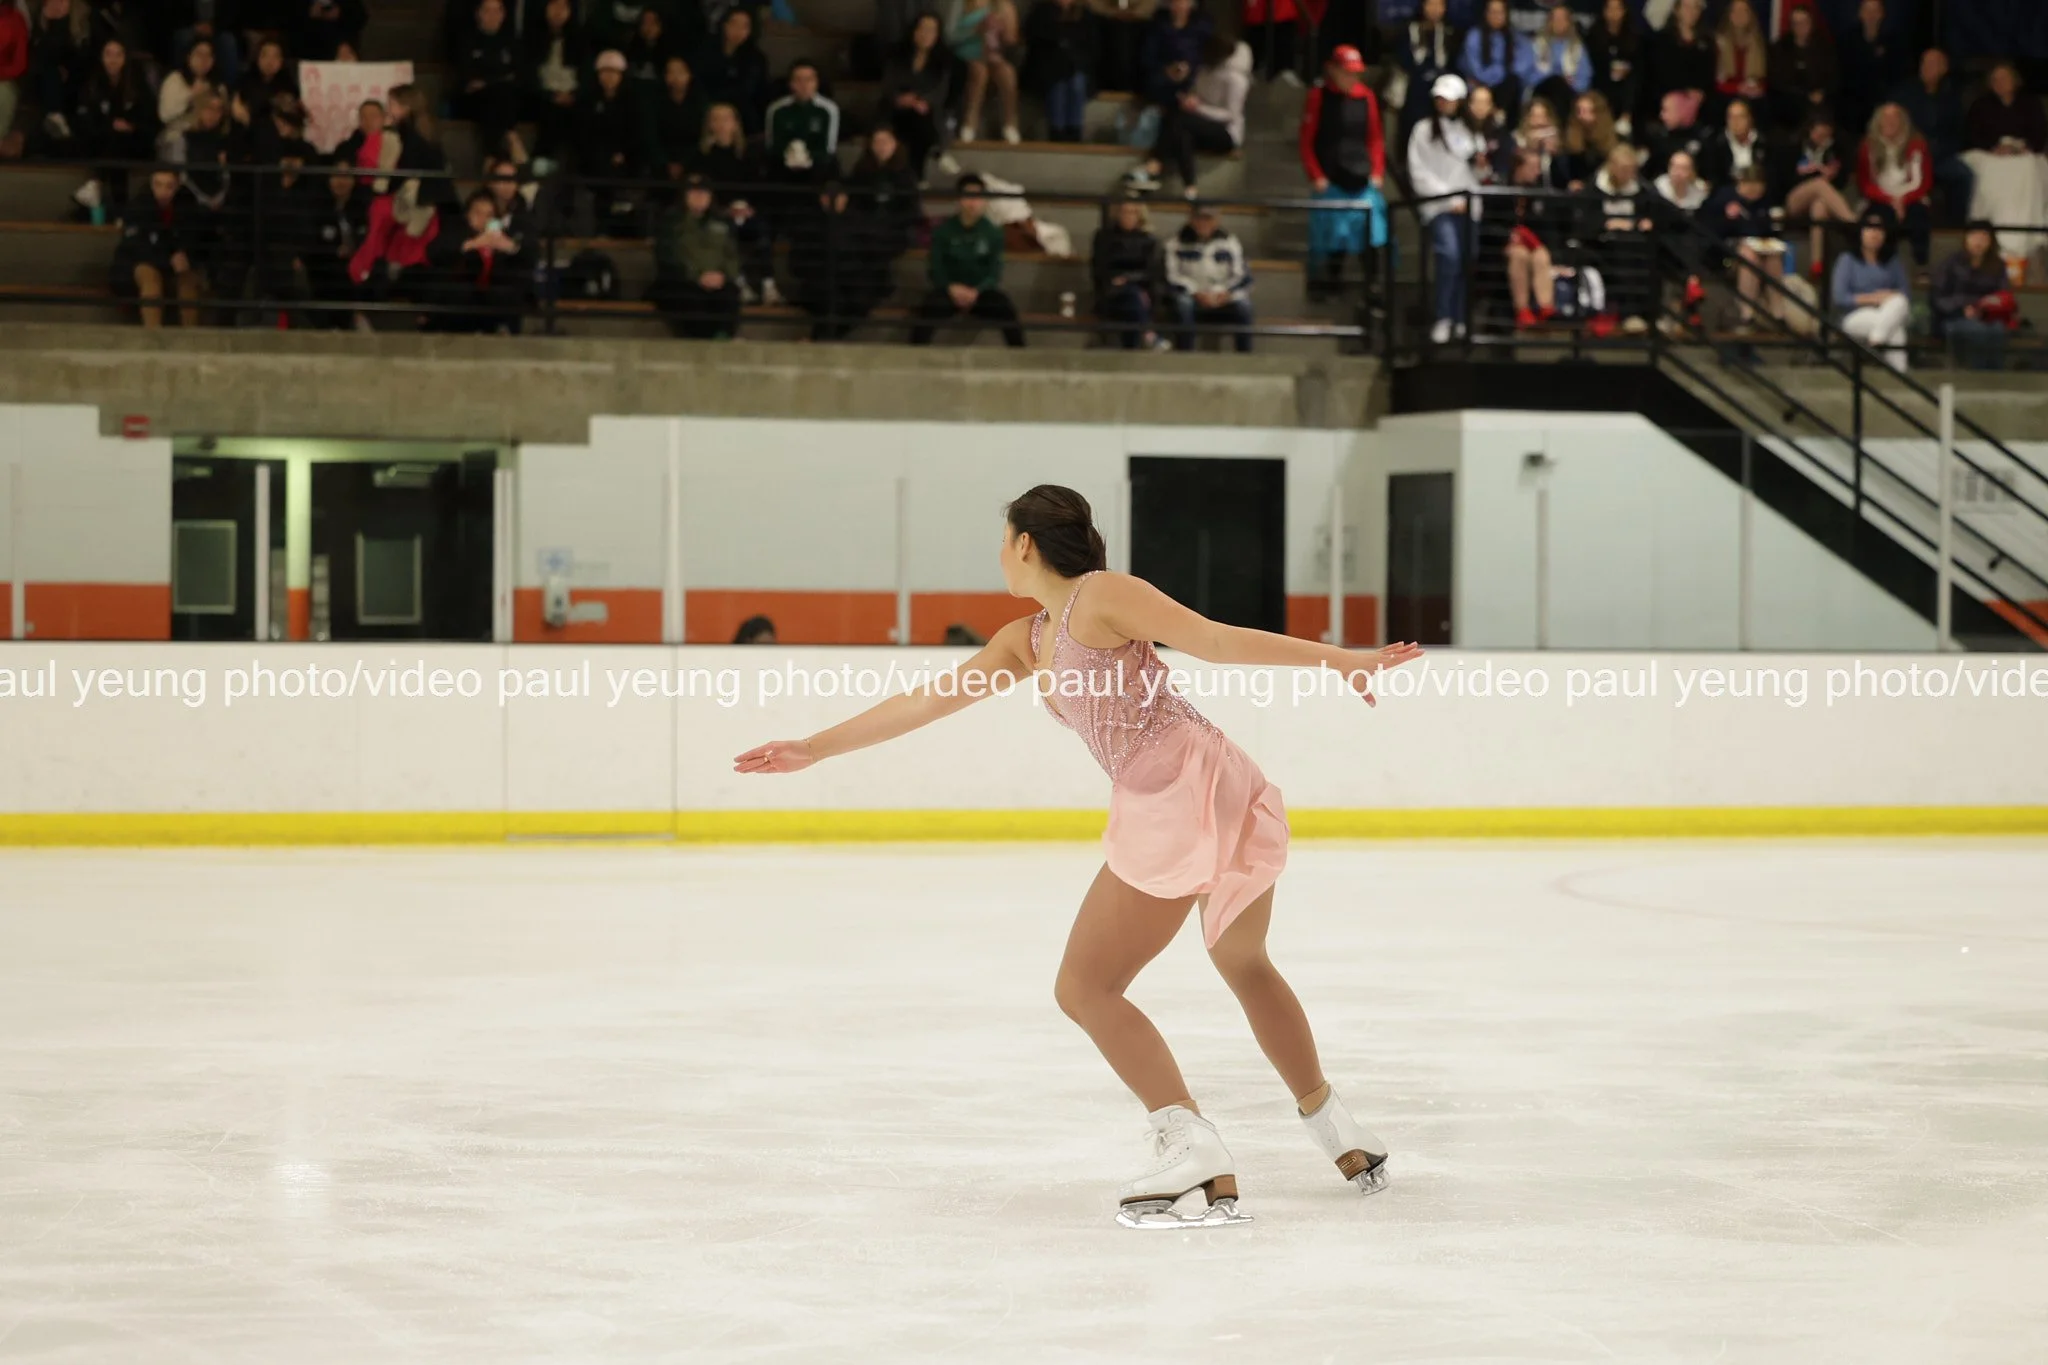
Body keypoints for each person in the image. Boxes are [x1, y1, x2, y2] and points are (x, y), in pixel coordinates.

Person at [733, 485, 1424, 1228]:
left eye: (1003, 540)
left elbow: (1213, 640)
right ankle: (1338, 1128)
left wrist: (1338, 660)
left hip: (1173, 791)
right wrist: (813, 747)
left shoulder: (1101, 596)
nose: (1000, 554)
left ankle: (1190, 1143)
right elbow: (928, 700)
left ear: (1025, 544)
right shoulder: (1025, 639)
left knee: (1086, 986)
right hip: (1215, 779)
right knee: (1242, 960)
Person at [1298, 43, 1384, 301]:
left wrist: (1377, 171)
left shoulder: (1366, 97)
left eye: (1355, 73)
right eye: (1347, 72)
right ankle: (1328, 284)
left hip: (1361, 176)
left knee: (1371, 233)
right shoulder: (1318, 96)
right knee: (1331, 236)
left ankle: (1373, 287)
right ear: (1333, 70)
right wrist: (1316, 175)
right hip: (1330, 178)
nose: (1351, 78)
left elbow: (1375, 138)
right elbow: (1306, 140)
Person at [1408, 72, 1480, 345]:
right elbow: (1418, 172)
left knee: (1467, 260)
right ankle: (1443, 316)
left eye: (1449, 99)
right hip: (1439, 208)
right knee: (1449, 257)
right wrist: (1450, 199)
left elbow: (1475, 173)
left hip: (1470, 208)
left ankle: (1460, 317)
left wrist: (1482, 169)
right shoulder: (1423, 130)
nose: (1444, 103)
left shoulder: (1471, 131)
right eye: (1440, 98)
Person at [1126, 34, 1247, 196]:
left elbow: (1230, 115)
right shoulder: (1203, 71)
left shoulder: (1236, 79)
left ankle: (1154, 166)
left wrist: (1198, 108)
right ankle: (1190, 188)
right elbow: (1198, 95)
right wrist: (1189, 99)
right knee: (1181, 131)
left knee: (1181, 121)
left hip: (1226, 133)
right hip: (1198, 125)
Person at [912, 174, 1024, 346]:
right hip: (949, 292)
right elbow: (936, 267)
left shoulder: (993, 233)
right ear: (959, 199)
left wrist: (978, 290)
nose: (973, 203)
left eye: (978, 197)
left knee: (1005, 308)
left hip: (980, 294)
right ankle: (915, 355)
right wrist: (951, 287)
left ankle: (1020, 356)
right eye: (968, 196)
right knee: (927, 309)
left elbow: (994, 272)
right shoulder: (943, 231)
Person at [1962, 62, 2048, 275]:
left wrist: (2023, 147)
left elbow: (2039, 133)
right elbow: (1972, 135)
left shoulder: (2031, 103)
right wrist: (1994, 147)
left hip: (2024, 154)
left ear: (2015, 80)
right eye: (1996, 79)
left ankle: (2026, 229)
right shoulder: (1981, 105)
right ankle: (1994, 228)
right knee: (1992, 169)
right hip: (1991, 154)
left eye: (2004, 78)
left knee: (2029, 167)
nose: (2000, 83)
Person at [788, 178, 896, 339]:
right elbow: (797, 262)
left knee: (858, 302)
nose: (831, 201)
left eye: (837, 197)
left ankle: (818, 341)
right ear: (821, 199)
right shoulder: (809, 225)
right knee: (832, 302)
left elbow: (873, 256)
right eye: (827, 197)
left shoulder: (859, 223)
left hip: (853, 283)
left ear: (845, 199)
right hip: (819, 283)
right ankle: (820, 341)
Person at [650, 173, 743, 339]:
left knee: (728, 298)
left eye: (704, 192)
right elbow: (667, 256)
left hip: (718, 281)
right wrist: (697, 276)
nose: (699, 197)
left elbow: (732, 255)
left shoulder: (721, 222)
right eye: (693, 192)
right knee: (690, 302)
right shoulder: (671, 223)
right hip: (682, 282)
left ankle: (722, 340)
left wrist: (723, 275)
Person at [112, 168, 206, 327]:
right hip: (139, 264)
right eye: (158, 185)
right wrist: (168, 259)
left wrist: (184, 254)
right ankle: (153, 334)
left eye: (169, 186)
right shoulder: (139, 205)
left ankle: (191, 335)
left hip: (172, 267)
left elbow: (195, 238)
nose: (163, 192)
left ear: (178, 186)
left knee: (188, 279)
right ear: (151, 184)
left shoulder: (187, 205)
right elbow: (136, 247)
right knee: (150, 276)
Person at [424, 189, 523, 333]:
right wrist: (472, 244)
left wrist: (511, 247)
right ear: (468, 214)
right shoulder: (455, 232)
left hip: (490, 298)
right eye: (478, 213)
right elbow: (433, 252)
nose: (483, 219)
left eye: (488, 215)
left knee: (507, 294)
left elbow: (524, 260)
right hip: (460, 297)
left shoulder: (501, 237)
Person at [1892, 48, 1969, 229]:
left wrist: (1941, 148)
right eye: (1924, 63)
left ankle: (1956, 226)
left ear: (1944, 69)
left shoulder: (1951, 96)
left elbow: (1958, 133)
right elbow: (1893, 125)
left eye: (1933, 64)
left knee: (1964, 175)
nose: (1927, 67)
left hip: (1940, 155)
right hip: (1908, 155)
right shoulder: (1905, 93)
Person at [1163, 200, 1251, 351]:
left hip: (1222, 297)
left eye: (1208, 219)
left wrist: (1224, 292)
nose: (1204, 223)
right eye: (1199, 218)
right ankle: (1184, 356)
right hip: (1191, 296)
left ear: (1217, 220)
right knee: (1183, 304)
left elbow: (1242, 276)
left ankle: (1244, 358)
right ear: (1191, 218)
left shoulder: (1230, 243)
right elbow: (1171, 276)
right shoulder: (1175, 243)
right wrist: (1195, 292)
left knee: (1244, 306)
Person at [1706, 162, 1784, 328]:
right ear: (1741, 184)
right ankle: (1747, 313)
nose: (1755, 191)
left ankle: (1778, 312)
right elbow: (1712, 230)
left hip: (1761, 250)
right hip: (1726, 254)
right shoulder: (1724, 198)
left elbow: (1768, 230)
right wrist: (1729, 218)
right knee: (1749, 254)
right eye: (1751, 186)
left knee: (1774, 256)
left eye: (1759, 186)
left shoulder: (1764, 202)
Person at [577, 50, 646, 236]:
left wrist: (622, 153)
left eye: (613, 72)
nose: (609, 77)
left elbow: (637, 132)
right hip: (594, 158)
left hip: (626, 159)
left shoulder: (633, 101)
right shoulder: (588, 100)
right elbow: (584, 133)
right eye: (604, 72)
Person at [1832, 208, 1910, 372]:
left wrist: (1887, 296)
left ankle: (1876, 340)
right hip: (1854, 316)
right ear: (1861, 231)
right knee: (1895, 328)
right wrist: (1873, 298)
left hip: (1888, 311)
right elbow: (1840, 298)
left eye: (1879, 229)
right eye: (1870, 228)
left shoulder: (1892, 261)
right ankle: (1900, 374)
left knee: (1899, 302)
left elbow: (1904, 294)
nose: (1875, 233)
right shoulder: (1847, 260)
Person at [879, 12, 953, 178]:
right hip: (896, 108)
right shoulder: (897, 56)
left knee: (922, 122)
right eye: (922, 29)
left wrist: (921, 101)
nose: (925, 34)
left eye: (931, 30)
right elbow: (888, 85)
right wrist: (900, 99)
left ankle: (919, 174)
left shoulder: (943, 61)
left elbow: (940, 91)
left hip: (925, 111)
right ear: (914, 31)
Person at [1779, 109, 1851, 279]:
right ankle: (1853, 224)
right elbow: (1784, 181)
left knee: (1820, 207)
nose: (1822, 139)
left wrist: (1833, 174)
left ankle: (1816, 265)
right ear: (1810, 130)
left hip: (1819, 201)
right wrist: (1812, 172)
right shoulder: (1793, 146)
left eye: (1826, 136)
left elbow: (1841, 183)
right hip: (1792, 201)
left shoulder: (1834, 150)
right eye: (1819, 135)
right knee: (1819, 184)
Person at [1931, 220, 2012, 371]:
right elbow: (1938, 297)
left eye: (1984, 238)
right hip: (1954, 317)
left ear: (1991, 242)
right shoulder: (1951, 263)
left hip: (1987, 316)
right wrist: (1961, 310)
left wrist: (1984, 309)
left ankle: (1996, 376)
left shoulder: (1998, 266)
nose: (1978, 242)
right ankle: (1978, 377)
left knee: (1997, 330)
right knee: (1977, 330)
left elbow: (2004, 297)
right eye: (1974, 236)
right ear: (1965, 239)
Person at [1857, 101, 1930, 266]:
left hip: (1911, 197)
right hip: (1880, 198)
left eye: (1895, 117)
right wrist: (1890, 200)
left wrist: (1903, 200)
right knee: (1881, 218)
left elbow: (1924, 182)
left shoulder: (1917, 143)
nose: (1890, 122)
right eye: (1885, 117)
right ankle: (1883, 265)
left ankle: (1921, 267)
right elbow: (1865, 183)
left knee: (1919, 215)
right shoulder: (1868, 145)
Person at [1092, 192, 1161, 349]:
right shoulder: (1103, 237)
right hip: (1111, 292)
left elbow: (1151, 272)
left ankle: (1133, 348)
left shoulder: (1148, 239)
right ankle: (1149, 334)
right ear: (1117, 213)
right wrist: (1117, 281)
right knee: (1134, 299)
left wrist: (1128, 279)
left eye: (1133, 212)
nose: (1128, 216)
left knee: (1134, 299)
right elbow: (1099, 268)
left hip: (1140, 290)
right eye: (1125, 212)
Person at [521, 0, 585, 167]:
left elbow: (587, 76)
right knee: (552, 114)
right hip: (541, 97)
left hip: (572, 96)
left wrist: (573, 95)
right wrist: (550, 95)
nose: (558, 11)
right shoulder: (532, 38)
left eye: (564, 7)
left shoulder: (580, 40)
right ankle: (540, 162)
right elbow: (528, 77)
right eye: (554, 5)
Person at [1023, 0, 1097, 143]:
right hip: (1046, 68)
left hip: (1076, 67)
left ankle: (1074, 131)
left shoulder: (1085, 14)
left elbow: (1092, 47)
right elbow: (1034, 41)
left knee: (1076, 81)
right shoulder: (1041, 12)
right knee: (1058, 79)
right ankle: (1057, 131)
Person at [455, 0, 522, 160]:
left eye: (497, 11)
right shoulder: (467, 40)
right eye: (487, 11)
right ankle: (511, 136)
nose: (493, 15)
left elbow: (517, 74)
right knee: (495, 96)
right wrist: (497, 79)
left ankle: (490, 157)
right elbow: (466, 75)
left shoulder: (512, 41)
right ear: (478, 14)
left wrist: (487, 82)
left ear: (503, 15)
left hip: (502, 96)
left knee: (498, 95)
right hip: (473, 99)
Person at [949, 0, 1020, 144]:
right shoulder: (960, 4)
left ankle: (1010, 124)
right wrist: (974, 30)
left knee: (1008, 72)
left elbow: (1011, 41)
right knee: (980, 72)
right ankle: (970, 122)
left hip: (991, 54)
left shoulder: (1002, 5)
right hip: (964, 55)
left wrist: (1006, 30)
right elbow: (949, 36)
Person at [1836, 0, 1905, 147]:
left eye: (1875, 11)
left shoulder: (1893, 41)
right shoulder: (1847, 40)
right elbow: (1842, 75)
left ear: (1882, 14)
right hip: (1853, 103)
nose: (1871, 15)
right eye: (1867, 11)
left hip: (1883, 101)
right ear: (1860, 14)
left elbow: (1898, 74)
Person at [849, 123, 923, 256]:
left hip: (895, 231)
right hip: (865, 230)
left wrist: (888, 222)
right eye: (877, 142)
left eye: (886, 142)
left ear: (895, 144)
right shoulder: (861, 171)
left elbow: (912, 210)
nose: (881, 146)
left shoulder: (907, 174)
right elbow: (855, 202)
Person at [1395, 0, 1458, 154]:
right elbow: (1403, 61)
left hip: (1440, 86)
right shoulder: (1408, 30)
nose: (1435, 9)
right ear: (1423, 6)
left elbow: (1452, 64)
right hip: (1413, 87)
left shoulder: (1450, 32)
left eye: (1439, 5)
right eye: (1431, 4)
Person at [695, 7, 769, 136]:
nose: (738, 30)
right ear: (724, 25)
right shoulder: (706, 51)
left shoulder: (756, 58)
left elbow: (749, 90)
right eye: (734, 24)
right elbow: (699, 82)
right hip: (708, 106)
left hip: (742, 111)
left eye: (744, 26)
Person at [1765, 3, 1833, 135]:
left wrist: (1821, 93)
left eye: (1804, 22)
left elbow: (1832, 79)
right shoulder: (1780, 48)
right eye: (1796, 23)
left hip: (1819, 105)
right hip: (1789, 105)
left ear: (1811, 23)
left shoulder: (1824, 48)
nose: (1800, 27)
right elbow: (1777, 82)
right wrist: (1804, 95)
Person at [1644, 0, 1709, 135]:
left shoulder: (1706, 41)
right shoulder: (1662, 40)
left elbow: (1708, 76)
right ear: (1677, 9)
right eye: (1687, 7)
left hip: (1699, 105)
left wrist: (1700, 94)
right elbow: (1659, 74)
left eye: (1696, 8)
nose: (1691, 12)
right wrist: (1684, 93)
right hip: (1668, 101)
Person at [1137, 0, 1209, 120]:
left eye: (1183, 2)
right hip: (1164, 76)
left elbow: (1205, 56)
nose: (1179, 6)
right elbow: (1147, 58)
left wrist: (1189, 68)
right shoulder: (1157, 28)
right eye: (1175, 3)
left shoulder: (1202, 28)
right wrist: (1167, 70)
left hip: (1193, 76)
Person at [1525, 1, 1589, 129]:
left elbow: (1585, 78)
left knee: (1562, 87)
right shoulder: (1537, 44)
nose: (1559, 22)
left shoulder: (1577, 47)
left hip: (1568, 93)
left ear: (1569, 23)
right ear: (1549, 22)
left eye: (1562, 19)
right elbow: (1528, 74)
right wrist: (1551, 77)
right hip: (1542, 90)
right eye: (1555, 19)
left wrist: (1572, 82)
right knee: (1556, 82)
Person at [1458, 0, 1525, 120]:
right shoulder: (1474, 36)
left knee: (1514, 82)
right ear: (1486, 14)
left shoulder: (1514, 36)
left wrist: (1502, 75)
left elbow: (1522, 63)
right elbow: (1476, 70)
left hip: (1503, 86)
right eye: (1493, 12)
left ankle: (1501, 119)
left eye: (1500, 12)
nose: (1496, 16)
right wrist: (1498, 75)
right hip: (1478, 83)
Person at [651, 55, 707, 188]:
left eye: (680, 72)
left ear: (689, 75)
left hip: (692, 158)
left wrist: (684, 163)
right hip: (662, 159)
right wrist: (665, 162)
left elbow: (703, 136)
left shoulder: (700, 102)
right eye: (671, 72)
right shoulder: (655, 102)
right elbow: (650, 134)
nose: (676, 77)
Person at [1585, 0, 1637, 141]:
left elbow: (1639, 67)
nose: (1614, 13)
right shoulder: (1593, 36)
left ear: (1624, 11)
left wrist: (1627, 70)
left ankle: (1626, 118)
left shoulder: (1634, 36)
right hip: (1601, 86)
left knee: (1633, 81)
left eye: (1617, 9)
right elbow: (1591, 68)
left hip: (1627, 90)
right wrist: (1608, 71)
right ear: (1604, 11)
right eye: (1610, 9)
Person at [157, 39, 223, 146]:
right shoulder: (175, 79)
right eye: (199, 54)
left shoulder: (218, 85)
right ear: (188, 57)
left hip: (209, 138)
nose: (204, 59)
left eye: (208, 55)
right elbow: (164, 115)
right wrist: (190, 95)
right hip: (178, 136)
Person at [1697, 96, 1761, 192]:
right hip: (1726, 194)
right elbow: (1712, 178)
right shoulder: (1715, 144)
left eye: (1740, 117)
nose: (1735, 122)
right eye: (1731, 117)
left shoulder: (1764, 143)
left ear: (1750, 119)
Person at [1710, 0, 1764, 113]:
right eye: (1736, 11)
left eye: (1744, 11)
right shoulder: (1719, 43)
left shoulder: (1759, 44)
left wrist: (1757, 88)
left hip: (1752, 97)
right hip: (1726, 96)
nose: (1740, 15)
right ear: (1729, 15)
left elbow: (1764, 79)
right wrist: (1738, 88)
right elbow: (1715, 81)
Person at [1558, 89, 1615, 188]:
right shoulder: (1568, 138)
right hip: (1578, 189)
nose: (1580, 116)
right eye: (1578, 111)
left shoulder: (1615, 138)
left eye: (1585, 111)